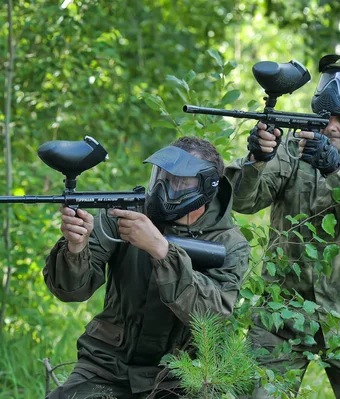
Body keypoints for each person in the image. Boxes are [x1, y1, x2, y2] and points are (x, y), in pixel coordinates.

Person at [225, 54, 340, 398]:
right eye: (326, 118)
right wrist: (257, 159)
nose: (331, 127)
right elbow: (243, 202)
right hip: (281, 316)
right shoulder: (294, 152)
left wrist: (335, 170)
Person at [43, 136, 251, 399]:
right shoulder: (125, 214)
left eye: (179, 182)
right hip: (107, 364)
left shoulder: (230, 244)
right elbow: (70, 291)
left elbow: (209, 316)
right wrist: (75, 247)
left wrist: (161, 251)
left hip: (180, 376)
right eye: (162, 177)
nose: (165, 189)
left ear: (205, 188)